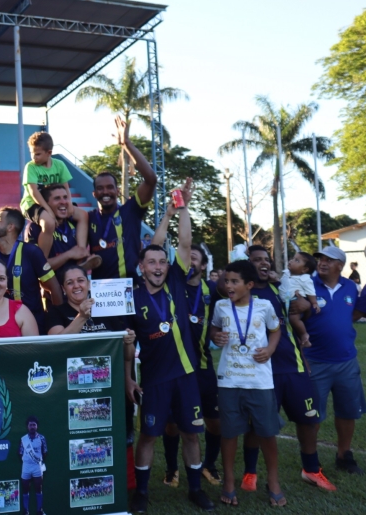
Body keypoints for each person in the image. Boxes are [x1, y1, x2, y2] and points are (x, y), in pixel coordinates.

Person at [126, 186, 215, 513]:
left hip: (187, 375)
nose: (159, 266)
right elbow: (124, 341)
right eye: (152, 262)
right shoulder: (132, 296)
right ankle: (143, 493)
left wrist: (182, 209)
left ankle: (194, 489)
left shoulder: (178, 280)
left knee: (192, 434)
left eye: (163, 261)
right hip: (154, 379)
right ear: (142, 266)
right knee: (148, 436)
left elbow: (185, 242)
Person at [237, 246, 330, 490]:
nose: (263, 263)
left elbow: (300, 314)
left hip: (293, 365)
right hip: (260, 370)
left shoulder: (281, 289)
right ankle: (250, 473)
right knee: (258, 425)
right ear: (248, 266)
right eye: (257, 260)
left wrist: (305, 306)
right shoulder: (240, 293)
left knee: (308, 420)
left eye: (266, 259)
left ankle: (311, 469)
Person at [150, 204, 223, 488]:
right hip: (173, 368)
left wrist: (217, 332)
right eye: (187, 256)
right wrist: (171, 214)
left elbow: (225, 315)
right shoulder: (171, 282)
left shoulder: (213, 291)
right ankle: (171, 468)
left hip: (203, 367)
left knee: (213, 422)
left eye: (196, 259)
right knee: (172, 425)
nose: (190, 261)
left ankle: (210, 464)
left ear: (204, 266)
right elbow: (159, 246)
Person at [210, 260, 283, 506]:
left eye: (234, 282)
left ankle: (273, 481)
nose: (228, 285)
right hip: (229, 381)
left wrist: (271, 349)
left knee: (267, 433)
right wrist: (216, 336)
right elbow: (214, 330)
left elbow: (276, 329)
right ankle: (229, 481)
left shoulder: (264, 306)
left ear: (249, 285)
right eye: (226, 281)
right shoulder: (221, 306)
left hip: (260, 381)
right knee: (229, 434)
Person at [303, 245, 366, 474]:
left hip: (346, 362)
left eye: (328, 260)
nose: (322, 262)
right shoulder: (306, 285)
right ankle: (311, 461)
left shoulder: (350, 286)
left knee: (348, 411)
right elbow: (294, 322)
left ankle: (344, 455)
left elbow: (354, 314)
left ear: (339, 265)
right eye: (320, 258)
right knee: (313, 415)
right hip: (315, 361)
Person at [0, 207, 63, 334]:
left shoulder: (31, 252)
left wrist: (57, 321)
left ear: (10, 227)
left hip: (31, 326)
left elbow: (54, 287)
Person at [89, 117, 157, 280]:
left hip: (131, 288)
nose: (106, 192)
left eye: (110, 187)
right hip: (101, 292)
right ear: (94, 194)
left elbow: (151, 179)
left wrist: (127, 143)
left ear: (117, 191)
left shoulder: (131, 211)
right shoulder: (88, 218)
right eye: (100, 188)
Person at [20, 132, 72, 241]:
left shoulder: (59, 165)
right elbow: (33, 192)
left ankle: (81, 250)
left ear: (49, 153)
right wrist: (49, 211)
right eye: (31, 153)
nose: (33, 157)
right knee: (49, 223)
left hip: (52, 203)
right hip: (32, 204)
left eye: (37, 154)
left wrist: (69, 204)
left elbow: (66, 187)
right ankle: (44, 257)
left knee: (82, 216)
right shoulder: (31, 167)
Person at [283, 251, 319, 348]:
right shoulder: (286, 274)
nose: (292, 261)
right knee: (289, 322)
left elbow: (310, 292)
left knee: (293, 319)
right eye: (293, 259)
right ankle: (298, 339)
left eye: (297, 261)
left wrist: (314, 303)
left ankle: (304, 335)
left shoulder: (305, 279)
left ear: (304, 269)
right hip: (285, 302)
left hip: (296, 301)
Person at [19, 416, 47, 515]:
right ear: (27, 426)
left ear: (37, 426)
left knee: (38, 488)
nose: (32, 427)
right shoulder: (23, 439)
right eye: (30, 425)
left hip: (37, 466)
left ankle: (40, 510)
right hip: (26, 466)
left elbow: (45, 452)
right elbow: (20, 453)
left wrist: (38, 461)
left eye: (34, 425)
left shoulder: (42, 438)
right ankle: (26, 511)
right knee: (25, 488)